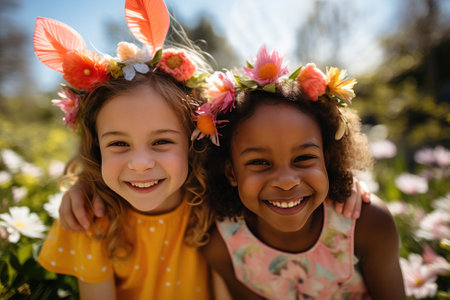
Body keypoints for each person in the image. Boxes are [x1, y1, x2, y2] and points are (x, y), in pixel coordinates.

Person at [34, 0, 215, 298]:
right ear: (96, 149)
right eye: (119, 143)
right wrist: (84, 182)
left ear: (195, 140)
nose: (140, 163)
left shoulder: (214, 200)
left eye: (161, 142)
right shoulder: (91, 221)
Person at [195, 46, 406, 299]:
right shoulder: (223, 246)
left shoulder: (367, 224)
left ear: (327, 160)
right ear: (231, 172)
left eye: (304, 158)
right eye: (260, 163)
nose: (286, 182)